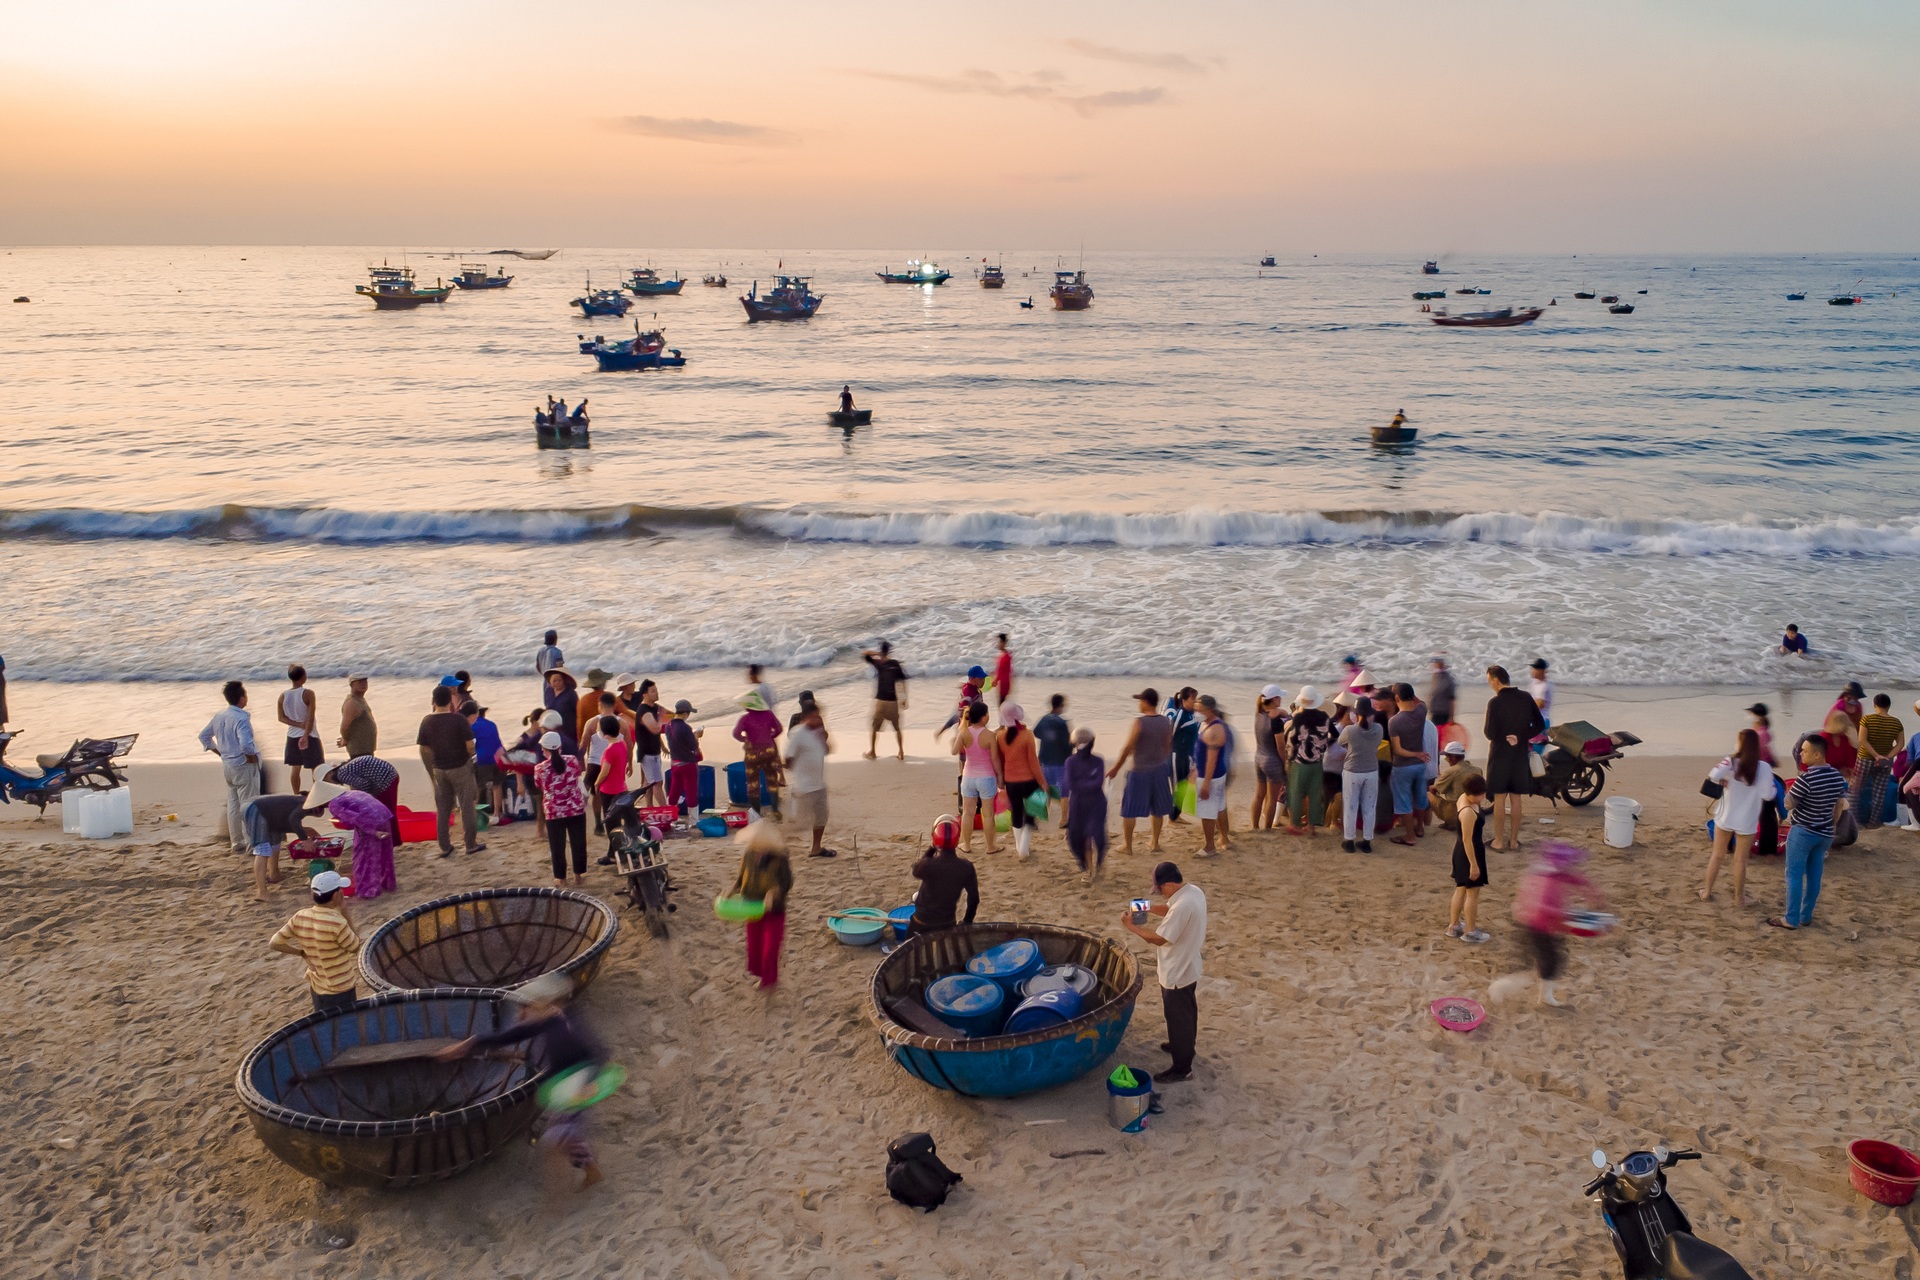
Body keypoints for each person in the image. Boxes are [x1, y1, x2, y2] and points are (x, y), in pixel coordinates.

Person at [437, 973, 607, 1193]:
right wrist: (470, 1044)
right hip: (562, 1083)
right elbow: (509, 1036)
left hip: (579, 1081)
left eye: (527, 1007)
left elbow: (597, 1053)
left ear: (546, 1005)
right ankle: (588, 1171)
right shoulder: (547, 1020)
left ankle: (568, 1188)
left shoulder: (567, 1026)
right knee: (560, 1135)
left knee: (557, 1136)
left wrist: (591, 1081)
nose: (521, 1013)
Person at [1119, 861, 1207, 1083]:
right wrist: (1147, 907)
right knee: (1186, 1013)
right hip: (1188, 965)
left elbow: (1158, 938)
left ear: (1169, 884)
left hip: (1177, 971)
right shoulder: (1193, 891)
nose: (1160, 892)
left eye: (1160, 888)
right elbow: (1169, 909)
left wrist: (1132, 927)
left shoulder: (1182, 907)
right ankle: (1182, 1046)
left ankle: (1182, 1068)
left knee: (1178, 1017)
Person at [1501, 842, 1604, 1007]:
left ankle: (1541, 991)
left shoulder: (1552, 873)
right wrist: (1568, 916)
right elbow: (1541, 909)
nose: (1572, 867)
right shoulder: (1547, 883)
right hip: (1537, 927)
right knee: (1547, 963)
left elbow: (1578, 880)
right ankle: (1507, 989)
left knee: (1549, 961)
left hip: (1543, 925)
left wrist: (1594, 894)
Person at [1767, 734, 1848, 931]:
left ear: (1817, 754)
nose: (1800, 754)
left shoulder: (1806, 779)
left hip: (1804, 831)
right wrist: (1832, 825)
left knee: (1794, 874)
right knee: (1814, 874)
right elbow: (1839, 804)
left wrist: (1788, 790)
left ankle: (1791, 919)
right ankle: (1806, 915)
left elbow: (1788, 804)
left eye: (1804, 751)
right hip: (1825, 833)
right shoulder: (1837, 777)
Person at [268, 869, 359, 1014]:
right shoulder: (338, 923)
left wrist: (301, 953)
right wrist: (346, 913)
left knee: (324, 1025)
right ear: (336, 895)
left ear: (313, 894)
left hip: (317, 986)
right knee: (345, 1027)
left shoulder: (300, 916)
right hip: (341, 987)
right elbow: (355, 947)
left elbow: (274, 943)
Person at [1700, 729, 1773, 905]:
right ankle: (1739, 898)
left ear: (1740, 744)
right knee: (1740, 860)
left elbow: (1713, 775)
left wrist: (1724, 779)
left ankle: (1707, 892)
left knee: (1717, 855)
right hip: (1747, 821)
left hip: (1725, 816)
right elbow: (1768, 795)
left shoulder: (1731, 762)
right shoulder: (1763, 767)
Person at [416, 685, 484, 859]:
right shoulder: (458, 720)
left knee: (443, 808)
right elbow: (470, 745)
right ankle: (470, 844)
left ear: (433, 701)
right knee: (467, 805)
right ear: (450, 700)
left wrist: (434, 762)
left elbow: (424, 747)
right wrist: (471, 757)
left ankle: (445, 846)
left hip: (439, 768)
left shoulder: (427, 721)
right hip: (460, 765)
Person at [1483, 666, 1545, 851]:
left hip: (1500, 754)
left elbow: (1489, 732)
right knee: (1516, 797)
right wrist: (1522, 736)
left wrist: (1505, 737)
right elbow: (1539, 724)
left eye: (1490, 682)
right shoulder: (1525, 697)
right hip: (1519, 754)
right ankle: (1513, 841)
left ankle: (1499, 841)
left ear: (1496, 680)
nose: (1491, 686)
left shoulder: (1495, 703)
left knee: (1500, 798)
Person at [1108, 688, 1175, 855]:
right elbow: (1168, 747)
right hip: (1159, 769)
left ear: (1146, 702)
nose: (1139, 703)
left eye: (1140, 700)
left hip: (1139, 770)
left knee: (1129, 810)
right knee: (1158, 809)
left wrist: (1115, 768)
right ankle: (1155, 843)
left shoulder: (1139, 722)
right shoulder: (1165, 721)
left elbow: (1128, 748)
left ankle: (1128, 846)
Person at [199, 680, 261, 856]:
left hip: (228, 765)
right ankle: (251, 843)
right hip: (242, 765)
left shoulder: (219, 716)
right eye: (245, 694)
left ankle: (236, 841)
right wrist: (251, 757)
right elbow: (246, 744)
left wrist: (219, 752)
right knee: (249, 804)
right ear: (241, 698)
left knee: (233, 803)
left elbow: (204, 736)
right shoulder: (241, 718)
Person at [731, 820, 793, 987]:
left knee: (770, 948)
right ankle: (761, 976)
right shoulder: (749, 854)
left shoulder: (780, 858)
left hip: (774, 909)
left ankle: (769, 980)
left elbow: (787, 882)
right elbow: (740, 877)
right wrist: (732, 890)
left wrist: (774, 893)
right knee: (754, 946)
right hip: (751, 906)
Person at [243, 792, 324, 901]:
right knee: (263, 849)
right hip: (256, 809)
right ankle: (261, 891)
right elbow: (293, 820)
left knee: (275, 841)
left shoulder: (301, 801)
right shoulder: (305, 804)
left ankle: (274, 874)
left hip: (268, 814)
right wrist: (304, 840)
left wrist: (306, 830)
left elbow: (284, 821)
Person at [534, 730, 588, 887]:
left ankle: (561, 878)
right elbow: (576, 774)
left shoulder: (540, 768)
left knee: (557, 846)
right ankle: (579, 876)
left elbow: (540, 786)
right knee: (578, 843)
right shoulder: (571, 760)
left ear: (544, 749)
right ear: (560, 747)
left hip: (554, 811)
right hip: (575, 808)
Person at [909, 816, 979, 935]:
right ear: (957, 841)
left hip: (921, 921)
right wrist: (967, 921)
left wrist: (931, 851)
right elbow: (974, 899)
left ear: (935, 839)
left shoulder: (928, 865)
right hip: (947, 923)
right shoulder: (966, 867)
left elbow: (915, 871)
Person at [994, 704, 1045, 860]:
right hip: (1029, 780)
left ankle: (1019, 847)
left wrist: (1000, 778)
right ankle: (1023, 848)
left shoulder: (1000, 736)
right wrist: (1042, 782)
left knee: (1016, 812)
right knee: (1032, 813)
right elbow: (1033, 762)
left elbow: (1001, 760)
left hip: (1011, 781)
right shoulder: (1027, 735)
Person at [784, 700, 833, 858]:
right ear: (805, 717)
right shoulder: (797, 733)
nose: (818, 719)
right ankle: (775, 847)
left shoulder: (817, 732)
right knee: (798, 823)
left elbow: (827, 750)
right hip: (803, 786)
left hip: (818, 784)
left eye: (819, 716)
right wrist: (797, 771)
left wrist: (824, 737)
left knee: (821, 817)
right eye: (814, 716)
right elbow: (788, 757)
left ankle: (816, 848)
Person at [329, 787, 396, 900]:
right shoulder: (352, 793)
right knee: (385, 855)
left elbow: (354, 818)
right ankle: (388, 883)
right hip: (384, 816)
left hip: (369, 822)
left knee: (365, 858)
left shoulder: (333, 804)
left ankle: (368, 890)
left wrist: (373, 831)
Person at [1446, 776, 1491, 943]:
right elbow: (1467, 840)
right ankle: (1470, 931)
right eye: (1479, 795)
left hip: (1463, 852)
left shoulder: (1463, 799)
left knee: (1461, 889)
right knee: (1472, 892)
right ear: (1471, 793)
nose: (1483, 797)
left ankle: (1454, 926)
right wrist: (1473, 865)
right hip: (1469, 853)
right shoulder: (1467, 812)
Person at [951, 701, 1000, 854]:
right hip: (986, 777)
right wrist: (1000, 776)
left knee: (967, 813)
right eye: (987, 714)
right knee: (988, 814)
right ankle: (990, 846)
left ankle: (966, 844)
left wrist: (960, 736)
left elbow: (954, 751)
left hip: (968, 777)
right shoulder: (990, 735)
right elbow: (995, 759)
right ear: (984, 717)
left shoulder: (964, 732)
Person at [1282, 686, 1331, 837]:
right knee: (1315, 794)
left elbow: (1292, 739)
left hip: (1300, 761)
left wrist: (1288, 757)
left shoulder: (1298, 718)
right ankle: (1311, 826)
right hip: (1317, 761)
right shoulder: (1324, 717)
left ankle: (1295, 824)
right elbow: (1328, 737)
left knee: (1296, 793)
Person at [1387, 683, 1431, 846]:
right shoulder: (1421, 711)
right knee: (1420, 797)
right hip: (1420, 765)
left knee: (1403, 800)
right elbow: (1420, 702)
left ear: (1396, 698)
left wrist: (1415, 754)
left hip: (1403, 766)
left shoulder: (1394, 721)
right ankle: (1419, 827)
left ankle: (1409, 836)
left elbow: (1398, 750)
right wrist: (1419, 755)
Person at [1337, 702, 1384, 853]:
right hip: (1371, 770)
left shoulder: (1350, 730)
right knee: (1369, 807)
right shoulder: (1378, 729)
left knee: (1350, 806)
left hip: (1352, 771)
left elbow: (1340, 742)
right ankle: (1367, 840)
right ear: (1371, 714)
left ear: (1356, 715)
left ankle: (1349, 840)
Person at [1063, 728, 1109, 881]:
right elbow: (1072, 784)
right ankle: (1089, 868)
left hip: (1096, 804)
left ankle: (1097, 863)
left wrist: (1082, 784)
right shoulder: (1070, 762)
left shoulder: (1098, 761)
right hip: (1078, 805)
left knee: (1097, 836)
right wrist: (1087, 783)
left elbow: (1097, 783)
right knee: (1081, 838)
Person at [327, 750, 401, 843]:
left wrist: (363, 800)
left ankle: (392, 840)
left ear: (330, 774)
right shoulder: (346, 768)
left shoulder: (341, 774)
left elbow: (364, 784)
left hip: (384, 780)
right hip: (389, 775)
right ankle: (392, 839)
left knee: (385, 813)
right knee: (387, 811)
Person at [1192, 695, 1234, 856]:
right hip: (1209, 773)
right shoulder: (1205, 723)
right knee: (1219, 806)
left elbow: (1212, 760)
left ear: (1209, 710)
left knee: (1207, 811)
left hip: (1211, 776)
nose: (1197, 713)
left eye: (1200, 710)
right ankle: (1225, 838)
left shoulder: (1215, 729)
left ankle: (1210, 846)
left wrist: (1206, 783)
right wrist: (1194, 769)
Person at [732, 690, 784, 817]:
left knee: (753, 784)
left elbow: (735, 733)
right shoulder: (769, 714)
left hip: (753, 754)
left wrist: (746, 739)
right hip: (769, 751)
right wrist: (771, 736)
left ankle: (757, 813)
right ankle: (775, 810)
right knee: (771, 780)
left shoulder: (745, 719)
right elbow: (779, 729)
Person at [1856, 693, 1904, 828]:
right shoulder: (1896, 722)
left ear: (1874, 705)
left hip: (1865, 758)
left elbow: (1862, 740)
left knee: (1856, 790)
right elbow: (1900, 744)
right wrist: (1887, 757)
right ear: (1889, 706)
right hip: (1885, 761)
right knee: (1879, 792)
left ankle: (1855, 820)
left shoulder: (1867, 719)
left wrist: (1876, 755)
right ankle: (1873, 822)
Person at [278, 664, 323, 793]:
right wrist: (305, 734)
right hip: (309, 735)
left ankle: (296, 794)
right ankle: (317, 794)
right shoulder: (308, 693)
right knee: (316, 768)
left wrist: (297, 724)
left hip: (292, 735)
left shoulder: (283, 695)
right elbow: (310, 717)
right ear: (303, 677)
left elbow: (281, 718)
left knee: (295, 768)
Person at [1250, 685, 1289, 832]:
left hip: (1258, 757)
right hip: (1272, 761)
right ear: (1274, 699)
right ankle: (1267, 829)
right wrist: (1285, 761)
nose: (1281, 699)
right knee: (1272, 798)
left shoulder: (1259, 713)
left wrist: (1280, 711)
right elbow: (1280, 746)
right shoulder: (1276, 721)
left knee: (1259, 795)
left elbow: (1285, 713)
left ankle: (1254, 826)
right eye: (1279, 697)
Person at [463, 699, 507, 827]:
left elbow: (471, 745)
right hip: (498, 758)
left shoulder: (472, 726)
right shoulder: (492, 724)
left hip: (482, 759)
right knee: (497, 786)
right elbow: (497, 742)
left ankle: (475, 816)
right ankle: (496, 814)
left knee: (478, 787)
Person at [862, 642, 909, 760]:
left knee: (874, 727)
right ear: (889, 651)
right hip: (893, 701)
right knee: (897, 728)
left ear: (881, 650)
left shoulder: (879, 663)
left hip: (881, 701)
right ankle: (901, 752)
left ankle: (872, 752)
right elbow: (902, 682)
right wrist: (904, 699)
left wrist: (877, 654)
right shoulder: (895, 664)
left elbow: (864, 654)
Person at [1034, 694, 1073, 827]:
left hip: (1045, 759)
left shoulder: (1044, 719)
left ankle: (1041, 815)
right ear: (1061, 705)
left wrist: (1048, 738)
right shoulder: (1062, 723)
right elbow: (1068, 743)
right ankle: (1063, 819)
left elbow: (1036, 732)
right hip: (1060, 761)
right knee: (1064, 791)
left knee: (1045, 789)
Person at [1428, 741, 1482, 831]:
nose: (1446, 759)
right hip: (1474, 811)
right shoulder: (1478, 770)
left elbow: (1434, 789)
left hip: (1456, 812)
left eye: (1447, 757)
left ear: (1452, 757)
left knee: (1427, 794)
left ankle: (1449, 822)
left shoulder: (1451, 771)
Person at [665, 699, 704, 818]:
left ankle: (671, 817)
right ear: (686, 713)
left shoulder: (668, 726)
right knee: (691, 791)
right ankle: (693, 820)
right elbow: (693, 746)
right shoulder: (685, 727)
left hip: (675, 763)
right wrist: (697, 735)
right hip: (688, 764)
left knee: (674, 790)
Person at [1165, 688, 1200, 820]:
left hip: (1187, 756)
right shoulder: (1180, 715)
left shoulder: (1193, 715)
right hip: (1176, 756)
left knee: (1184, 786)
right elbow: (1169, 736)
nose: (1195, 702)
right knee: (1178, 788)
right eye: (1193, 700)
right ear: (1184, 700)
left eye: (1196, 699)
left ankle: (1175, 815)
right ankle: (1172, 817)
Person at [937, 667, 986, 737]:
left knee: (954, 720)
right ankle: (946, 735)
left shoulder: (976, 690)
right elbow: (963, 707)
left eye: (984, 679)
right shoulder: (969, 692)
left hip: (975, 719)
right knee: (955, 721)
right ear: (972, 680)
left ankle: (945, 734)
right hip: (968, 722)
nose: (983, 681)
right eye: (980, 679)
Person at [542, 667, 580, 754]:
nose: (557, 683)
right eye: (554, 681)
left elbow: (578, 712)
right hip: (552, 729)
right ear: (550, 682)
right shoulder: (548, 692)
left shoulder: (571, 693)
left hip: (568, 729)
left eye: (560, 680)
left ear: (564, 681)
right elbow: (547, 708)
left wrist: (578, 733)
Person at [337, 675, 376, 759]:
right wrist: (345, 739)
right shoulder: (352, 703)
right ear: (352, 685)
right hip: (358, 750)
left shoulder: (360, 699)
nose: (363, 684)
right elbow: (344, 726)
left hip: (365, 748)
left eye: (365, 681)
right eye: (359, 682)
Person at [576, 669, 615, 747]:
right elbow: (624, 712)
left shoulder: (584, 699)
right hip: (610, 737)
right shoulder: (610, 697)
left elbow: (580, 722)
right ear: (603, 682)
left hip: (592, 738)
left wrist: (580, 741)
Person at [1527, 659, 1554, 741]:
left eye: (1535, 669)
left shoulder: (1544, 685)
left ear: (1541, 671)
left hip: (1540, 721)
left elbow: (1539, 704)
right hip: (1534, 721)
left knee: (1534, 751)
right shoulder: (1534, 682)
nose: (1532, 671)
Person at [1427, 656, 1457, 728]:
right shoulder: (1434, 676)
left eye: (1438, 662)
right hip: (1434, 711)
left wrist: (1451, 717)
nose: (1435, 664)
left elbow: (1452, 699)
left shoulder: (1449, 679)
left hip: (1443, 712)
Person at [991, 633, 1014, 711]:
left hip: (1003, 683)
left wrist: (995, 680)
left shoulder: (1005, 656)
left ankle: (1003, 723)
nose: (998, 644)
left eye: (999, 642)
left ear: (1004, 643)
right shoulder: (1005, 655)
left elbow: (1002, 671)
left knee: (1001, 706)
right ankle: (1004, 722)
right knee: (1002, 705)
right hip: (1003, 682)